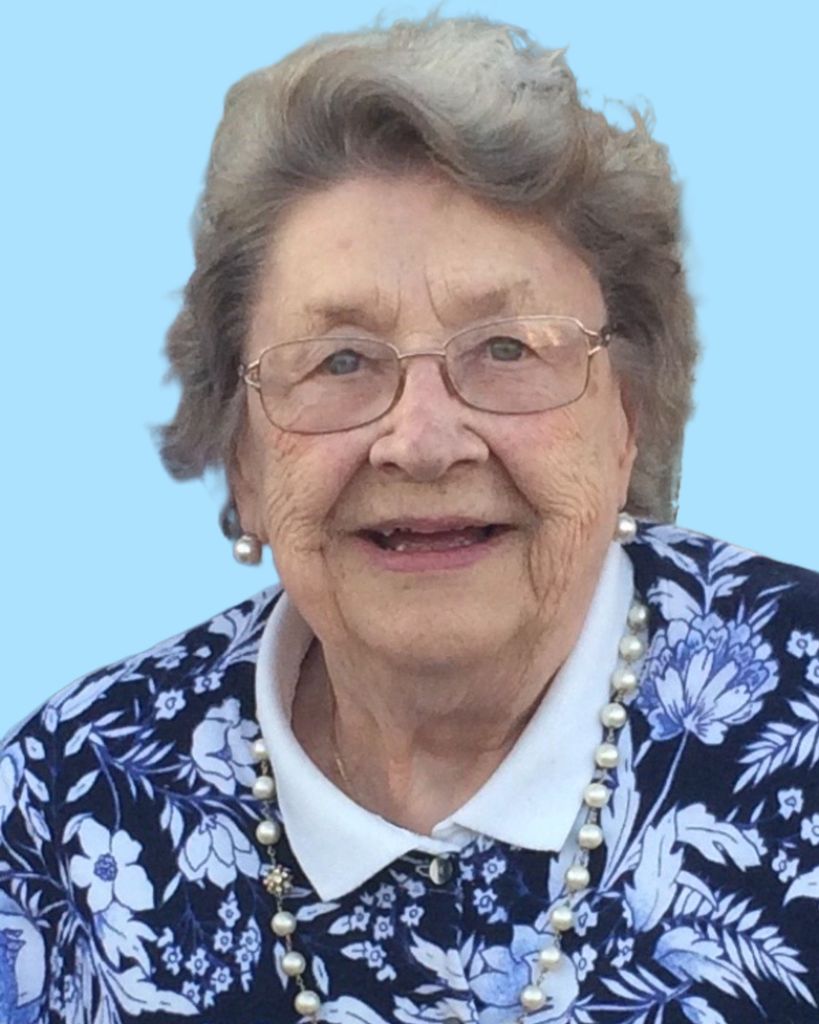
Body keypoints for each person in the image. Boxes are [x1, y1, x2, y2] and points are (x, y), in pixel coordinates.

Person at [1, 13, 818, 1024]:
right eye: (340, 360)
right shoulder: (69, 807)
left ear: (630, 418)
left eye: (508, 350)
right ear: (240, 456)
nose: (422, 442)